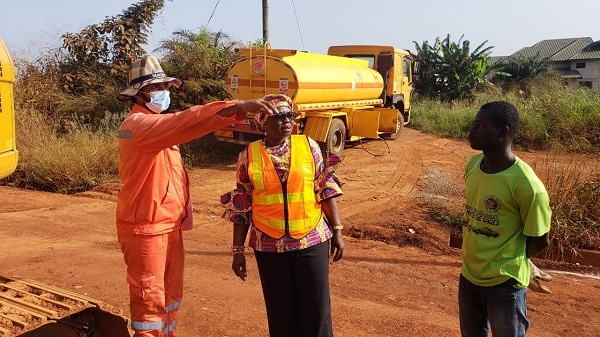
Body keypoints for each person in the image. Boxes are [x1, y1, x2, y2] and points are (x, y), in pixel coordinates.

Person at [116, 54, 284, 337]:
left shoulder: (154, 127)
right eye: (158, 88)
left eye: (167, 87)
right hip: (146, 228)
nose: (165, 93)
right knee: (150, 305)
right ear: (140, 94)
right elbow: (187, 121)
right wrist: (237, 106)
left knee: (169, 298)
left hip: (166, 225)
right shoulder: (138, 126)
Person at [220, 96, 344, 337]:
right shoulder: (248, 155)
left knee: (317, 311)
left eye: (289, 116)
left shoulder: (308, 146)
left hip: (312, 240)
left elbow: (324, 187)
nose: (286, 121)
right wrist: (237, 251)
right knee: (280, 313)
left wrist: (337, 229)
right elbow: (242, 203)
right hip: (268, 245)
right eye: (278, 116)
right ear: (263, 122)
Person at [459, 100, 552, 337]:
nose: (471, 130)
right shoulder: (472, 165)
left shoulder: (528, 186)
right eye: (474, 123)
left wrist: (511, 259)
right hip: (469, 277)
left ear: (502, 132)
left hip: (504, 285)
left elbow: (540, 239)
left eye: (480, 125)